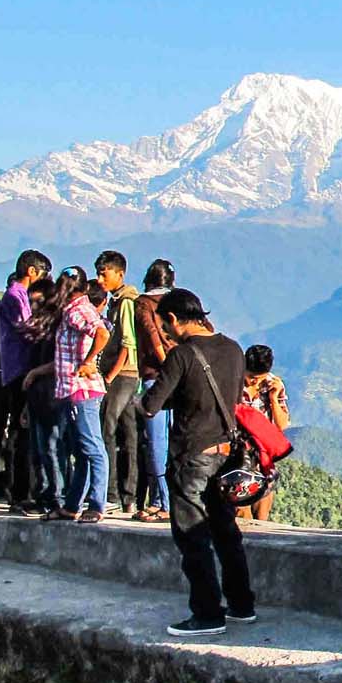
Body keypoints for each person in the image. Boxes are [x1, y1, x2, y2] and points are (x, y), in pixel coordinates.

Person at [140, 288, 254, 637]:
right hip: (226, 455)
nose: (165, 333)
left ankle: (207, 613)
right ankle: (241, 604)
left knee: (193, 538)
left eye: (164, 326)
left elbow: (150, 404)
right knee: (226, 532)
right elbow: (233, 399)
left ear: (173, 319)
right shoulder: (234, 348)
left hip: (192, 456)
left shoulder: (182, 355)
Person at [36, 267, 109, 522]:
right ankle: (72, 504)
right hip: (72, 389)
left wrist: (89, 362)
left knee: (92, 448)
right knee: (80, 450)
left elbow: (102, 333)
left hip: (82, 388)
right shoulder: (73, 309)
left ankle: (97, 504)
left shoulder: (78, 310)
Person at [0, 250, 52, 512]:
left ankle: (26, 489)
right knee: (21, 432)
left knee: (27, 432)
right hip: (20, 369)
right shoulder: (15, 297)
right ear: (32, 271)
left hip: (21, 368)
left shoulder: (18, 296)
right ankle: (19, 491)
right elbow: (27, 328)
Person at [93, 251, 142, 516]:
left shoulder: (125, 302)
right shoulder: (118, 300)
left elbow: (127, 344)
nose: (101, 279)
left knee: (107, 428)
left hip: (123, 374)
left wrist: (109, 376)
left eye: (105, 274)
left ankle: (110, 493)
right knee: (129, 433)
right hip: (127, 375)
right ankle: (129, 496)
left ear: (120, 274)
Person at [132, 259, 176, 522]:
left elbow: (151, 336)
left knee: (156, 442)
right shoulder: (180, 300)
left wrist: (165, 364)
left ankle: (163, 501)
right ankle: (172, 499)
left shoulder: (143, 304)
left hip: (155, 377)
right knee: (177, 441)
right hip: (183, 377)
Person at [235, 344, 289, 521]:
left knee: (261, 516)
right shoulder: (233, 384)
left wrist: (274, 398)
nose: (254, 382)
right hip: (237, 453)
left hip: (262, 455)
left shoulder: (272, 385)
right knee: (241, 511)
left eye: (259, 378)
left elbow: (282, 425)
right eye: (251, 377)